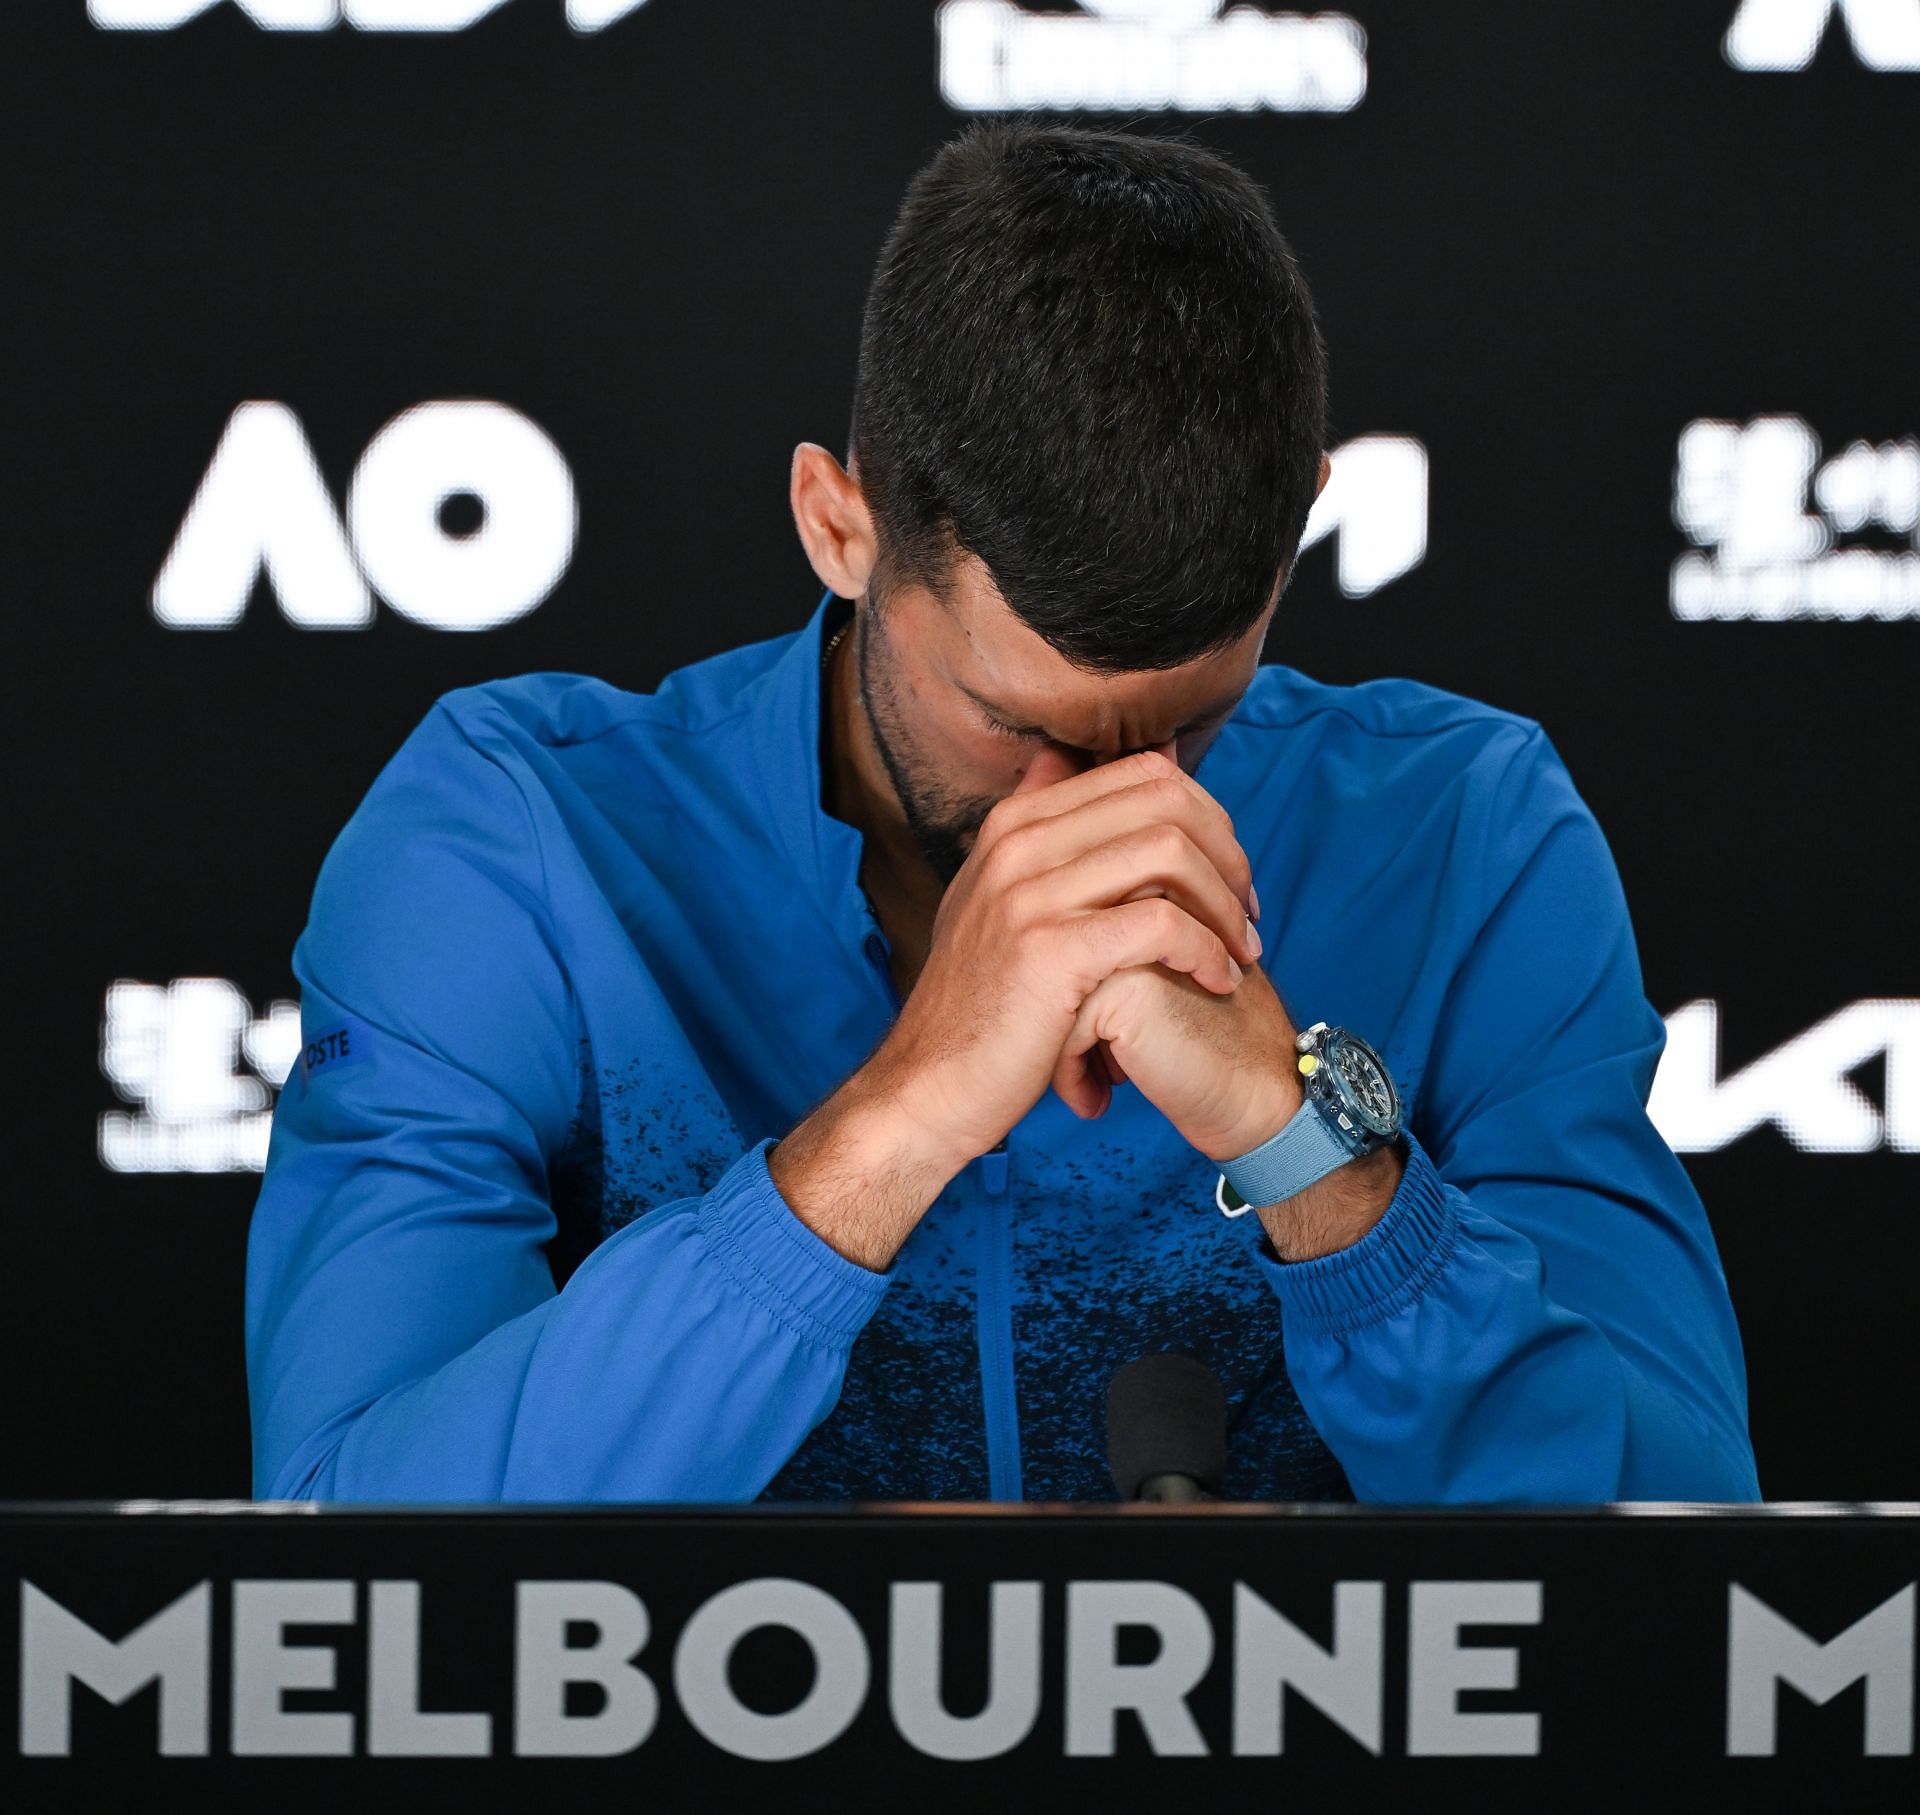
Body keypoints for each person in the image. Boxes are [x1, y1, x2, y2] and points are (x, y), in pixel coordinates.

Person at [245, 120, 1760, 1504]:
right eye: (1015, 723)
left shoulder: (1465, 836)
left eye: (1191, 722)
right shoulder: (518, 841)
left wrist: (1309, 1154)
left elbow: (1685, 1555)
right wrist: (900, 1118)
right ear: (841, 526)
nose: (1109, 812)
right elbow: (347, 1539)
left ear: (1295, 539)